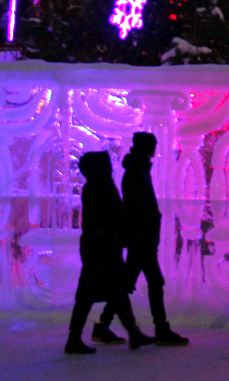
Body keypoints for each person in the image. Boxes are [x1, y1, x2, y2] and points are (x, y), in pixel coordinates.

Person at [94, 133, 187, 346]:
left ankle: (103, 325)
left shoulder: (135, 171)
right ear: (150, 148)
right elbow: (139, 208)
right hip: (142, 238)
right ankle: (161, 329)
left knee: (127, 283)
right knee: (154, 282)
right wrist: (150, 227)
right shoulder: (138, 173)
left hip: (140, 237)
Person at [65, 151, 151, 354]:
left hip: (97, 247)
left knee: (106, 293)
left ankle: (77, 337)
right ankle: (131, 333)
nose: (111, 168)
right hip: (103, 248)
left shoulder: (93, 187)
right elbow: (114, 217)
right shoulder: (102, 188)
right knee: (110, 292)